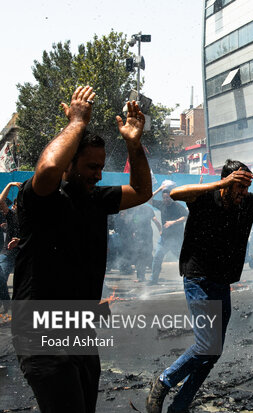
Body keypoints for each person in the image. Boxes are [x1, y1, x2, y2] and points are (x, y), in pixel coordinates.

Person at [11, 85, 152, 413]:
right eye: (90, 167)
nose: (98, 174)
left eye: (101, 166)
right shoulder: (38, 198)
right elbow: (46, 169)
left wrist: (133, 144)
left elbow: (143, 190)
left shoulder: (96, 199)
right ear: (69, 165)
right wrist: (76, 123)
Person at [146, 158, 253, 413]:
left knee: (213, 352)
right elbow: (174, 193)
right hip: (198, 278)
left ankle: (180, 405)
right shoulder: (206, 198)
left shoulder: (248, 202)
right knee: (206, 345)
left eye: (246, 187)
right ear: (227, 183)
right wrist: (223, 182)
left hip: (222, 282)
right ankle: (164, 381)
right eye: (239, 186)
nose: (243, 193)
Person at [149, 184, 188, 285]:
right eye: (164, 197)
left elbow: (185, 217)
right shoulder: (161, 204)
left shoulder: (177, 206)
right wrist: (159, 189)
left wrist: (173, 222)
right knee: (157, 257)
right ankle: (153, 280)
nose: (166, 199)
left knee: (182, 259)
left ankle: (188, 278)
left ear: (171, 197)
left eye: (167, 197)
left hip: (176, 239)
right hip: (164, 239)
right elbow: (148, 199)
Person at [0, 182, 20, 312]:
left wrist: (20, 240)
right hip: (8, 252)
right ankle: (6, 302)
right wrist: (10, 184)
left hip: (24, 254)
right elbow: (1, 201)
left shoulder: (32, 218)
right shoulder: (12, 215)